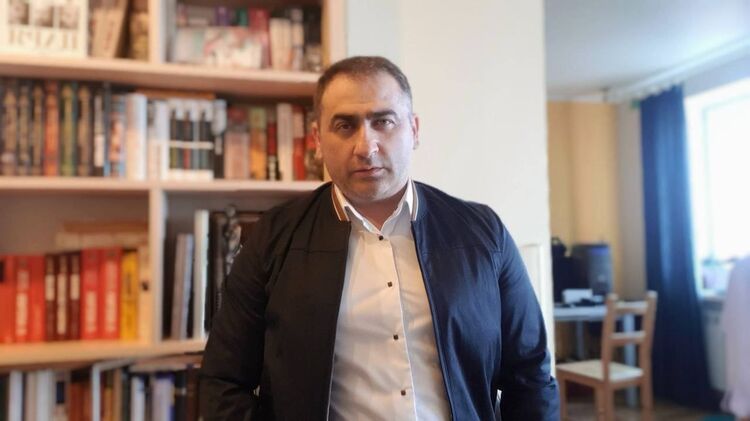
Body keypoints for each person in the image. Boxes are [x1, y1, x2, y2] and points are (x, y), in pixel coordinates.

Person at [200, 56, 559, 420]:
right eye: (345, 125)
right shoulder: (272, 238)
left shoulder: (483, 233)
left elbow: (530, 375)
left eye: (383, 122)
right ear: (317, 140)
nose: (365, 146)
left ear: (414, 130)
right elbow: (223, 381)